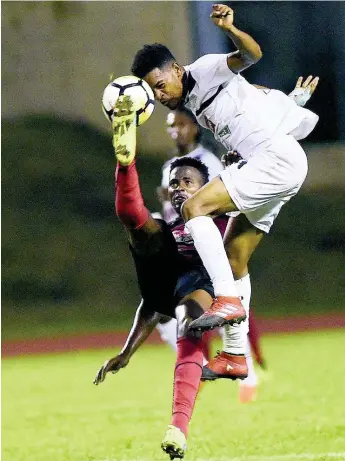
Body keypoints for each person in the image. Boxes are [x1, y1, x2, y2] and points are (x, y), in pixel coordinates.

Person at [130, 3, 319, 379]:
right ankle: (234, 355)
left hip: (276, 161)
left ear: (176, 70)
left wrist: (231, 29)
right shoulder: (199, 102)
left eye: (160, 85)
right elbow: (256, 97)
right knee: (234, 259)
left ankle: (227, 300)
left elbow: (250, 55)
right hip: (273, 162)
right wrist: (290, 104)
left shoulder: (203, 70)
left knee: (194, 208)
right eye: (153, 94)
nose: (161, 96)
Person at [93, 94, 251, 458]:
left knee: (190, 324)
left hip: (200, 279)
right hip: (167, 266)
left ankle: (177, 428)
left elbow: (246, 203)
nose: (179, 186)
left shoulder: (219, 217)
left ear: (207, 190)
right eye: (175, 182)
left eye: (188, 182)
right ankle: (125, 159)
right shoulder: (174, 225)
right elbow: (152, 302)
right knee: (137, 220)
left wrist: (238, 169)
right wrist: (126, 352)